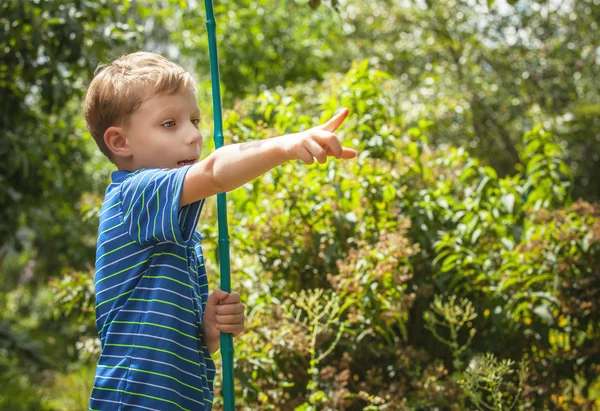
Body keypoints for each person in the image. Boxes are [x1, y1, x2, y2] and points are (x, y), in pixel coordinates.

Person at [84, 51, 357, 411]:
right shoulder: (133, 195)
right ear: (120, 142)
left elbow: (175, 340)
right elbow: (214, 172)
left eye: (195, 120)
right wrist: (286, 145)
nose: (194, 136)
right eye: (170, 124)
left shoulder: (174, 231)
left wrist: (208, 333)